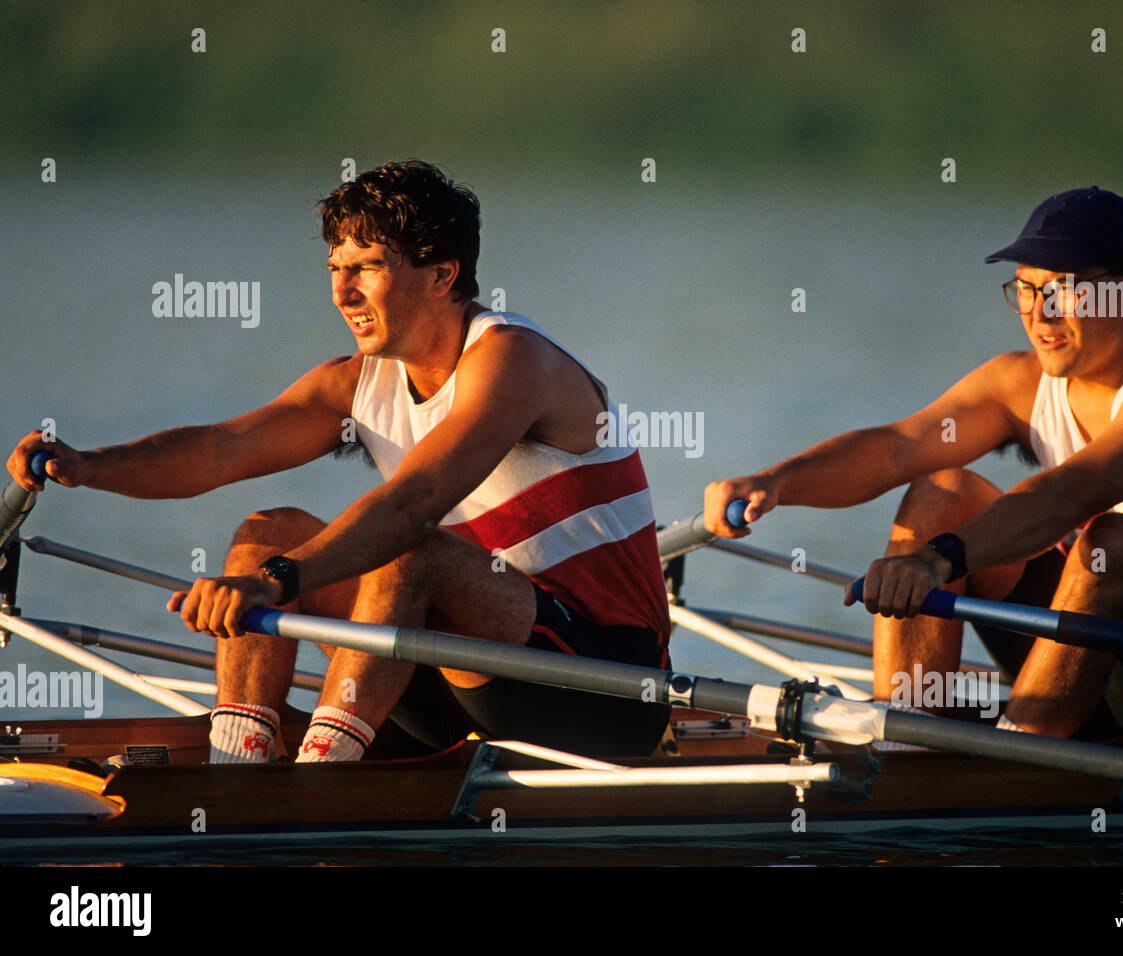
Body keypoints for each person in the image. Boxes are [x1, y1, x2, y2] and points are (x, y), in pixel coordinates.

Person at [7, 160, 671, 761]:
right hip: (457, 679)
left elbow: (414, 503)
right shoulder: (354, 383)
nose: (342, 294)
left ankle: (320, 781)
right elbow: (218, 451)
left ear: (442, 275)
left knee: (408, 549)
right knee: (267, 533)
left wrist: (276, 584)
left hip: (602, 690)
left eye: (367, 269)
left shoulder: (513, 360)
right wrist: (92, 464)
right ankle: (237, 766)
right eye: (335, 270)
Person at [704, 186, 1123, 745]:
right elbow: (894, 447)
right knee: (942, 489)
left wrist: (939, 560)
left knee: (1110, 544)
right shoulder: (1019, 383)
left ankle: (1017, 756)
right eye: (1025, 290)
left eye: (1064, 290)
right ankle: (906, 737)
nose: (1039, 316)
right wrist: (774, 482)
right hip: (1106, 673)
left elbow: (1072, 492)